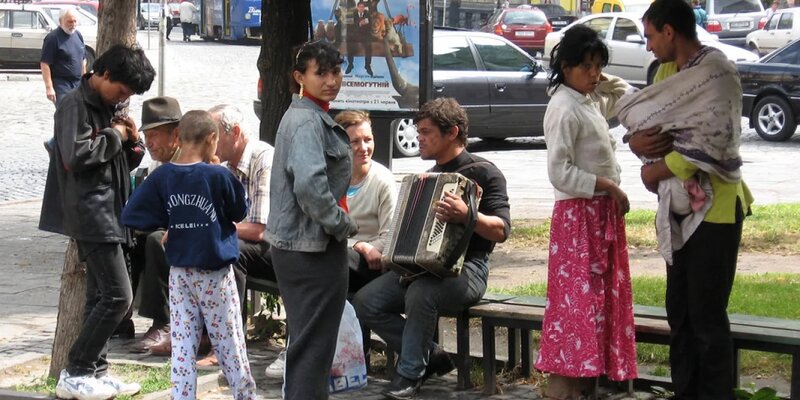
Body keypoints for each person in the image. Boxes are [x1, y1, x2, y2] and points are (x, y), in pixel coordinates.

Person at [626, 0, 753, 397]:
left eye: (649, 36)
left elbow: (715, 142)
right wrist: (636, 143)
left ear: (669, 31)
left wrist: (656, 169)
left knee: (707, 319)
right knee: (678, 314)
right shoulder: (666, 72)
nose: (647, 46)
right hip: (677, 212)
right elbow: (646, 124)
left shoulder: (718, 73)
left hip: (717, 211)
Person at [353, 97, 511, 400]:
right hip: (421, 270)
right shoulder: (429, 176)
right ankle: (431, 356)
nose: (418, 139)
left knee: (421, 293)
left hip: (469, 268)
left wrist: (469, 215)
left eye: (425, 132)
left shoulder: (485, 172)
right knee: (366, 300)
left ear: (451, 133)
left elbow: (502, 230)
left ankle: (409, 374)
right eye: (418, 131)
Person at [39, 44, 155, 400]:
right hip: (91, 213)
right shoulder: (74, 104)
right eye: (122, 91)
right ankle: (76, 370)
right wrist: (115, 136)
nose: (124, 99)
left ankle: (96, 372)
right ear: (103, 75)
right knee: (120, 297)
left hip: (113, 211)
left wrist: (133, 142)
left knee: (100, 298)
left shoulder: (108, 106)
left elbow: (121, 163)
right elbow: (75, 156)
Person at [121, 110, 257, 400]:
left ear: (179, 138)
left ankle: (182, 396)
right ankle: (245, 396)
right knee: (230, 343)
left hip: (180, 273)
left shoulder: (163, 176)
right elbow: (239, 210)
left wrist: (171, 219)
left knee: (183, 345)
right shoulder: (218, 175)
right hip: (214, 274)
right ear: (211, 139)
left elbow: (132, 213)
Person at [532, 25, 636, 399]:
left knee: (597, 306)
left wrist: (603, 78)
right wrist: (607, 186)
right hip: (579, 219)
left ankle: (584, 388)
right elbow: (559, 171)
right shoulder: (562, 107)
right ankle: (566, 389)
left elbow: (627, 97)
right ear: (566, 65)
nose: (593, 74)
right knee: (576, 307)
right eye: (586, 66)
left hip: (599, 216)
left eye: (597, 67)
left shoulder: (587, 98)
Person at [264, 109, 398, 380]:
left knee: (324, 264)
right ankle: (308, 350)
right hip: (334, 255)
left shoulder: (382, 180)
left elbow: (390, 234)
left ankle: (297, 349)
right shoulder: (330, 176)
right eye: (355, 141)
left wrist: (360, 245)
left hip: (366, 260)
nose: (364, 148)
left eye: (368, 139)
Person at [265, 40, 358, 399]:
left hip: (305, 247)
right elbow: (310, 187)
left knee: (310, 346)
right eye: (321, 73)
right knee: (313, 349)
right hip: (311, 249)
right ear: (299, 76)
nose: (331, 80)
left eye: (335, 72)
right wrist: (341, 224)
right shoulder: (306, 120)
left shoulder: (310, 115)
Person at [128, 96, 183, 354]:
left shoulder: (191, 160)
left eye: (155, 135)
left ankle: (164, 321)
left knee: (155, 240)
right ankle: (120, 315)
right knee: (130, 237)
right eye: (146, 135)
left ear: (176, 134)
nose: (149, 142)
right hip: (169, 228)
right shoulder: (157, 164)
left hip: (194, 233)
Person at [40, 7, 86, 105]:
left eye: (75, 21)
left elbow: (83, 60)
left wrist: (84, 82)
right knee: (66, 112)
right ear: (60, 21)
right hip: (61, 83)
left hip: (77, 83)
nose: (73, 25)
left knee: (80, 113)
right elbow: (45, 64)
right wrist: (49, 87)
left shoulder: (78, 35)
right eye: (69, 22)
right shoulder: (53, 38)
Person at [345, 1, 374, 77]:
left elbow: (370, 25)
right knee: (350, 44)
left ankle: (367, 65)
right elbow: (349, 26)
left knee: (368, 46)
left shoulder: (367, 14)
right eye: (360, 7)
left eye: (362, 7)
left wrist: (365, 25)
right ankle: (350, 64)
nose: (361, 8)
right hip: (355, 34)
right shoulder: (351, 14)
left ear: (364, 8)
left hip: (365, 35)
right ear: (357, 7)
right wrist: (359, 24)